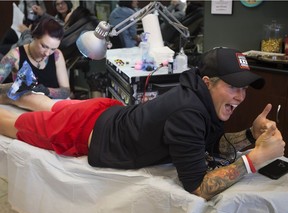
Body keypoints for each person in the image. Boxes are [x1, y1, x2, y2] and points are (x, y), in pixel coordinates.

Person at [0, 47, 285, 201]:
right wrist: (254, 159)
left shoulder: (199, 97)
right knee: (16, 124)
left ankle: (16, 92)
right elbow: (198, 186)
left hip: (106, 112)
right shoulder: (188, 112)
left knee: (52, 106)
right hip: (85, 128)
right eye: (234, 86)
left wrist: (249, 134)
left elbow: (206, 143)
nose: (241, 96)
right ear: (208, 83)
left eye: (245, 88)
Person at [0, 16, 70, 111]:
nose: (47, 53)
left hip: (53, 105)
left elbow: (66, 91)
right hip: (26, 107)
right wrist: (14, 86)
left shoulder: (57, 55)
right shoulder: (15, 55)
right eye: (44, 46)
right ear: (35, 36)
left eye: (53, 49)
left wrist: (45, 90)